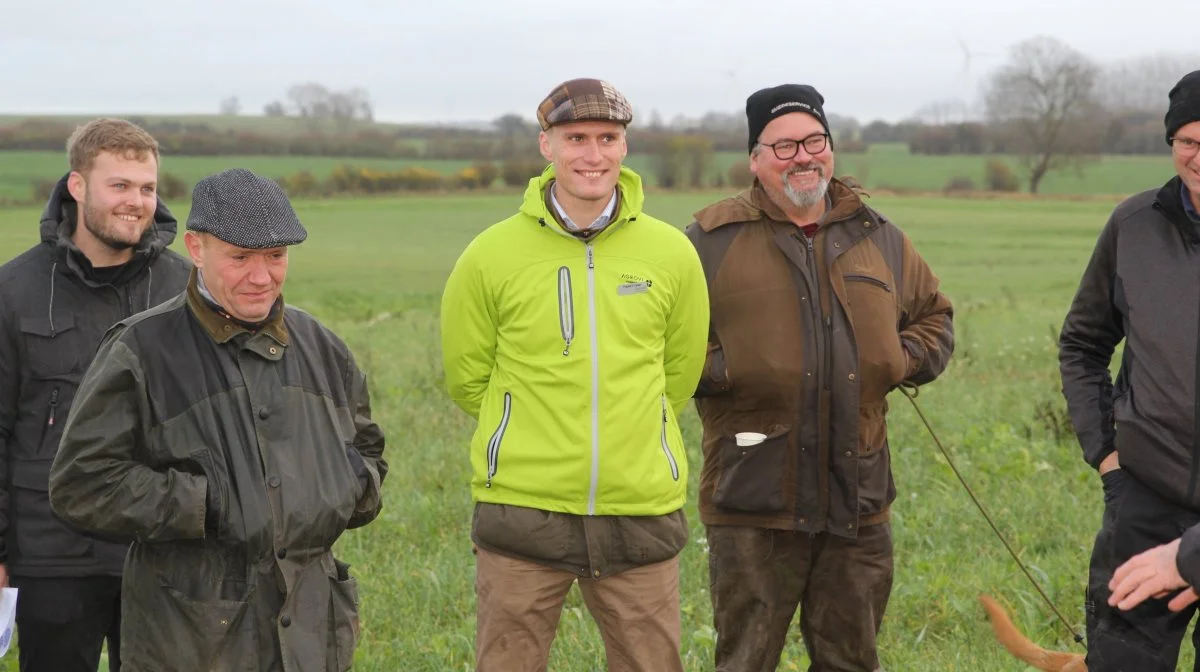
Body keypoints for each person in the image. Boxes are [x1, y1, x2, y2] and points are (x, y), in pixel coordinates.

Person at [46, 168, 387, 672]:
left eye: (276, 256)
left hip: (313, 633)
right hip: (189, 639)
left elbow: (368, 453)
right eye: (240, 257)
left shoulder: (322, 347)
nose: (261, 276)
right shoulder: (140, 350)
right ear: (196, 248)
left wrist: (347, 490)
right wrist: (209, 503)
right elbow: (81, 484)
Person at [440, 77, 709, 672]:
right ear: (547, 146)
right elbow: (467, 377)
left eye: (607, 138)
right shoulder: (490, 254)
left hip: (639, 507)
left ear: (624, 148)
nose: (593, 154)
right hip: (522, 508)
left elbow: (680, 372)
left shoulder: (671, 253)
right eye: (576, 137)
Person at [686, 83, 954, 671]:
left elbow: (935, 316)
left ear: (831, 149)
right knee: (744, 659)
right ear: (755, 159)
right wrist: (728, 369)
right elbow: (663, 341)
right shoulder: (708, 241)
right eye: (783, 146)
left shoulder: (878, 235)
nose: (803, 156)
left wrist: (900, 359)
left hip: (856, 492)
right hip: (753, 494)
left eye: (814, 140)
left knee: (851, 660)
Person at [0, 118, 191, 671]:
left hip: (164, 551)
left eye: (147, 188)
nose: (136, 202)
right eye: (120, 185)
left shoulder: (186, 291)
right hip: (53, 555)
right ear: (77, 186)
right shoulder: (14, 294)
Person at [1059, 68, 1200, 670]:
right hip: (1146, 495)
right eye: (1189, 141)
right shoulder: (1133, 224)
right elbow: (1083, 342)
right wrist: (1108, 456)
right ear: (1171, 144)